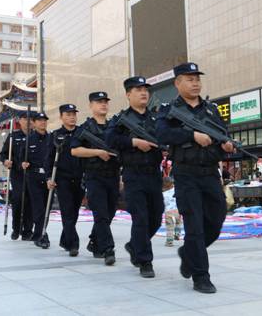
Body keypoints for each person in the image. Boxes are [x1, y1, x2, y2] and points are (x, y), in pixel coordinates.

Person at [156, 62, 234, 294]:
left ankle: (189, 253)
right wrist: (191, 134)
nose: (195, 83)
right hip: (186, 174)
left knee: (217, 219)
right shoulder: (168, 109)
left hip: (210, 173)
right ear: (177, 83)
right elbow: (161, 134)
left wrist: (227, 146)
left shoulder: (211, 109)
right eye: (189, 79)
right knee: (195, 226)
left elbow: (222, 138)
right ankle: (201, 276)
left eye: (197, 78)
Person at [106, 76, 164, 278]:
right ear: (128, 94)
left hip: (154, 175)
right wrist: (133, 142)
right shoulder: (120, 119)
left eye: (145, 89)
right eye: (138, 90)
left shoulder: (157, 117)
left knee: (156, 217)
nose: (143, 93)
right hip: (133, 174)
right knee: (140, 218)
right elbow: (109, 139)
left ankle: (134, 245)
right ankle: (145, 261)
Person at [71, 92, 120, 266]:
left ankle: (94, 240)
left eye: (105, 102)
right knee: (100, 214)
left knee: (110, 213)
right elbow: (75, 150)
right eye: (99, 102)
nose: (103, 105)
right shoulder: (85, 128)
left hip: (113, 176)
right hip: (94, 176)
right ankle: (108, 249)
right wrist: (97, 152)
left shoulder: (114, 126)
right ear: (91, 105)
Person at [45, 104, 84, 257]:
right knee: (67, 212)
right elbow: (48, 159)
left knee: (74, 213)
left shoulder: (82, 133)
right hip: (63, 179)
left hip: (80, 179)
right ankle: (73, 244)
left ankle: (65, 239)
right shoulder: (55, 135)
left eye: (74, 114)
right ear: (61, 117)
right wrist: (49, 177)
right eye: (68, 114)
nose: (72, 117)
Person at [0, 111, 33, 240]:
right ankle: (16, 229)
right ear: (20, 121)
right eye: (25, 119)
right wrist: (5, 161)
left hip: (32, 174)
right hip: (17, 174)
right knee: (18, 200)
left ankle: (28, 230)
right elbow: (3, 154)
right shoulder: (13, 136)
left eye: (30, 119)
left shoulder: (36, 136)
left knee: (30, 201)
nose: (28, 121)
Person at [21, 112, 50, 248]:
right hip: (33, 177)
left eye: (44, 120)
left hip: (49, 177)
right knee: (38, 207)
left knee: (47, 207)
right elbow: (22, 158)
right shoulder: (28, 140)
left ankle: (41, 232)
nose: (42, 123)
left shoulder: (52, 139)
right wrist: (23, 163)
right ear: (34, 123)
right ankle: (40, 235)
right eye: (39, 120)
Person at [162, 177, 182, 247]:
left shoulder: (162, 194)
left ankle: (169, 242)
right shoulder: (175, 190)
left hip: (168, 212)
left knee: (169, 227)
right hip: (177, 211)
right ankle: (177, 234)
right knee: (178, 223)